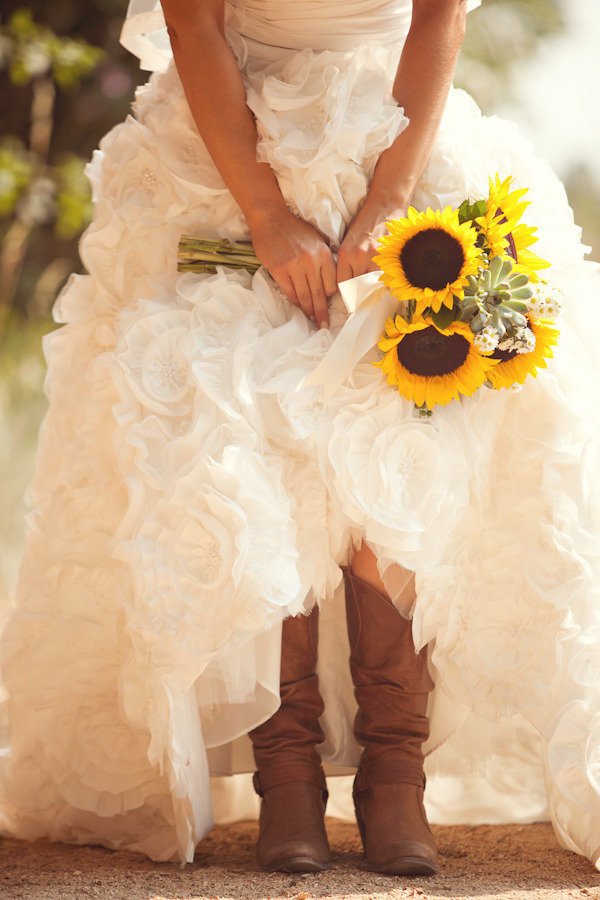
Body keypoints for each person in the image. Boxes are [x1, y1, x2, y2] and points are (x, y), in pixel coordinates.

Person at [1, 0, 600, 878]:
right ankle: (289, 779)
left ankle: (395, 774)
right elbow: (194, 23)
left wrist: (391, 201)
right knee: (249, 441)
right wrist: (266, 209)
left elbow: (441, 14)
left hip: (396, 128)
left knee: (399, 439)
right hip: (226, 147)